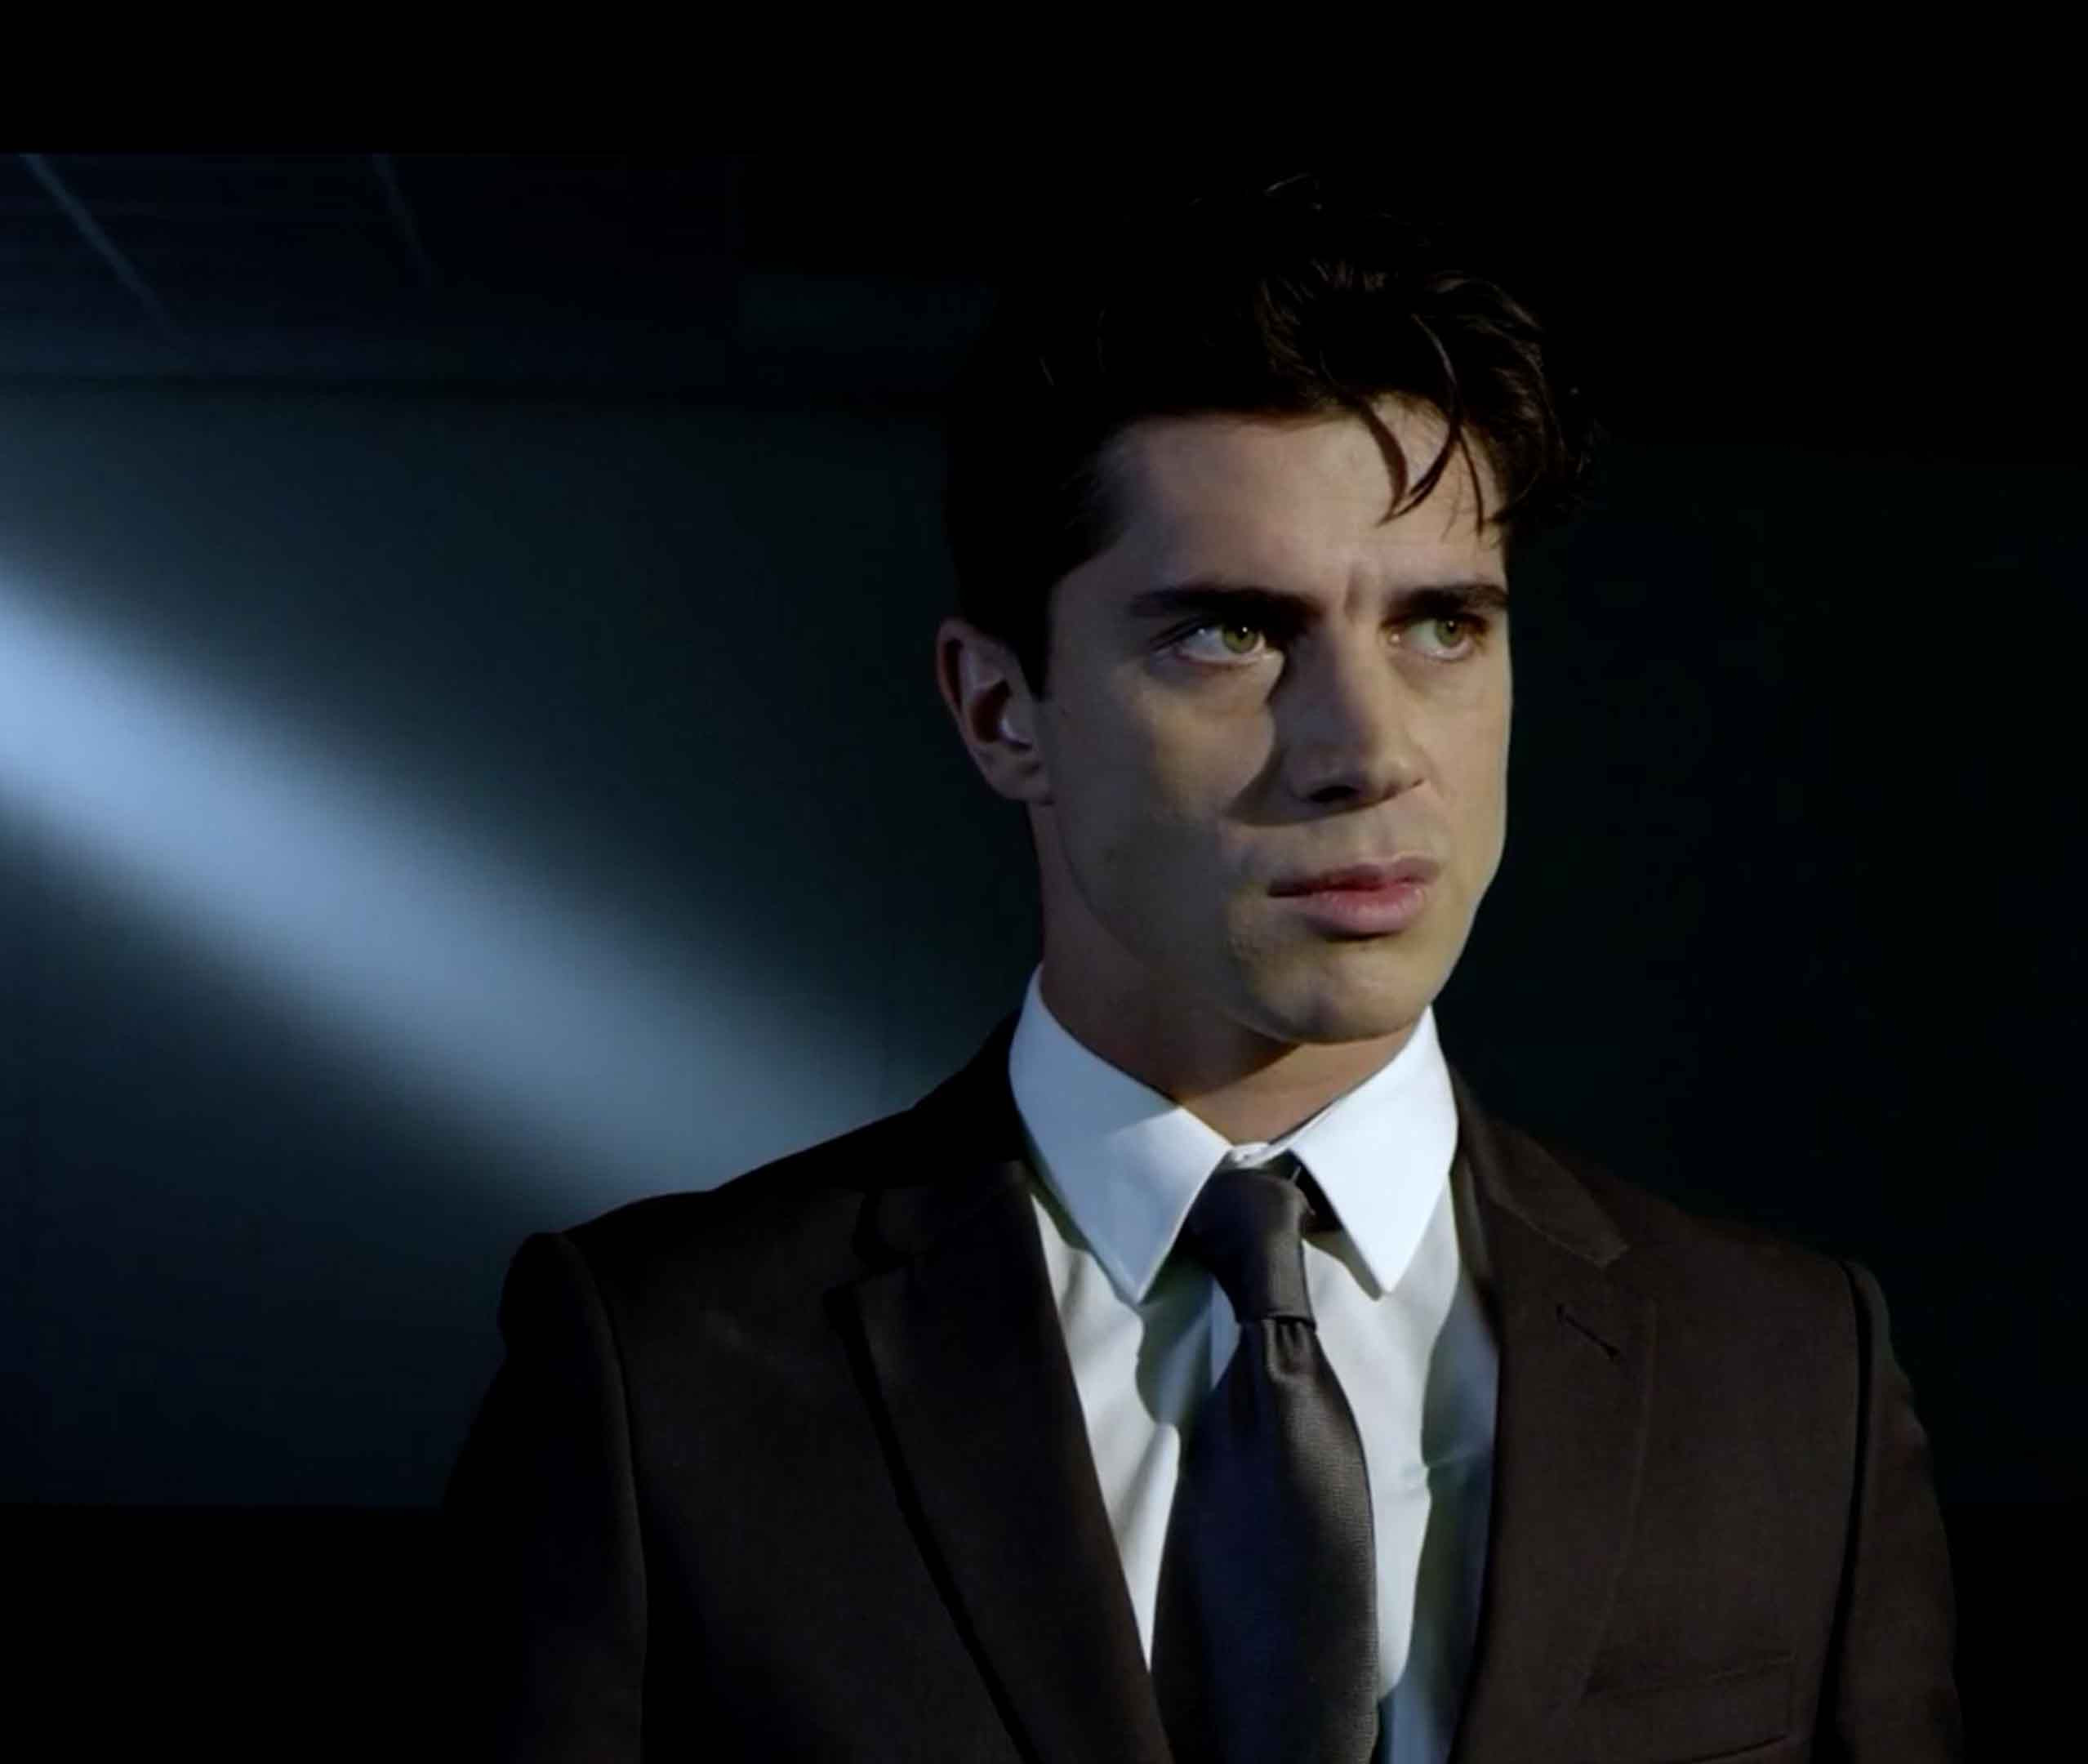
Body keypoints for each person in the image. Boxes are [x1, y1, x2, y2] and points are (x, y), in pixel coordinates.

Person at [439, 168, 1963, 1762]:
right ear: (1001, 711)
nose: (1367, 748)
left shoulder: (1791, 1373)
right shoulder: (664, 1372)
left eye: (1443, 625)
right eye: (1229, 632)